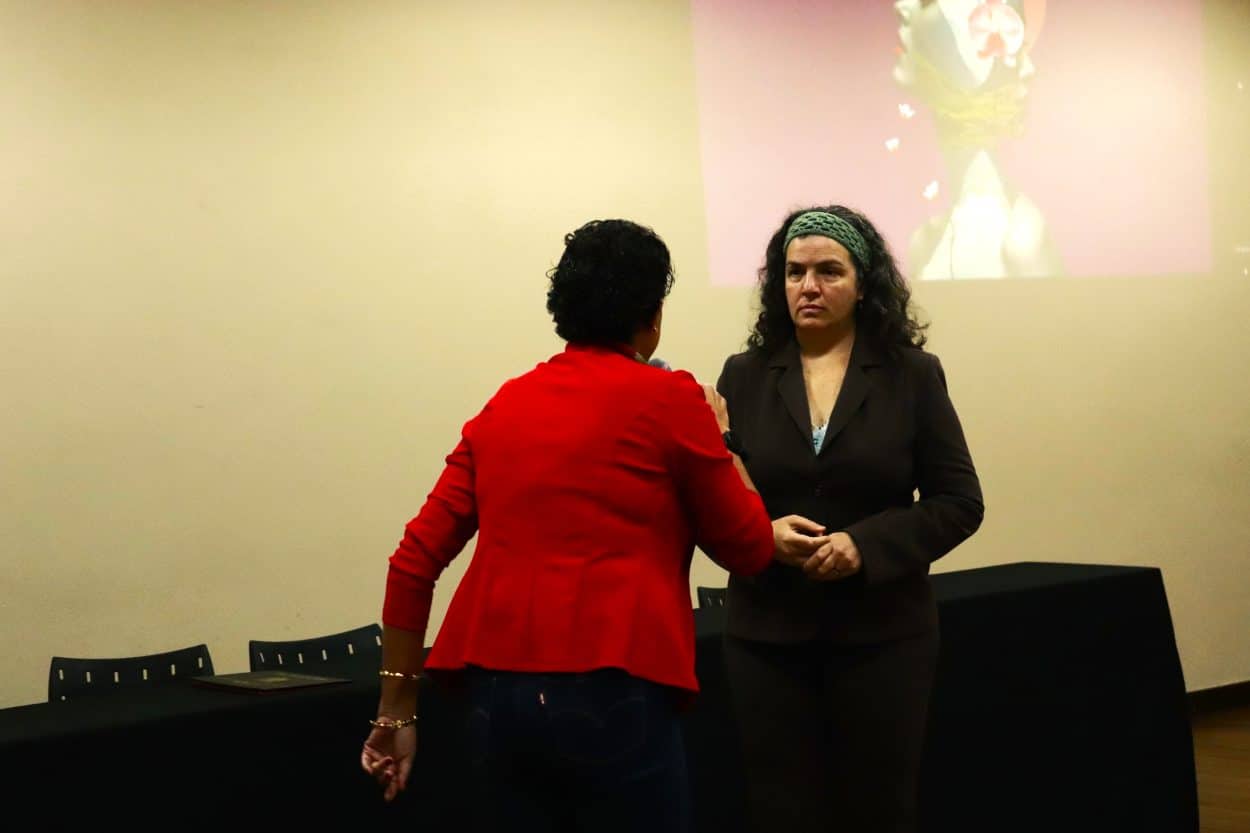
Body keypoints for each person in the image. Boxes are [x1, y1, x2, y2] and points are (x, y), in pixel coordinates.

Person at [359, 219, 780, 832]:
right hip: (615, 690)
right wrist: (725, 441)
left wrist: (396, 712)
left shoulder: (506, 403)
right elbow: (750, 547)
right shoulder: (672, 401)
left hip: (496, 700)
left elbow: (414, 560)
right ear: (652, 314)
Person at [715, 205, 985, 832]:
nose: (808, 286)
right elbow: (722, 496)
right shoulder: (743, 375)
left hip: (883, 637)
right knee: (782, 810)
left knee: (878, 809)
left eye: (829, 271)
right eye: (794, 271)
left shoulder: (913, 375)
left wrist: (865, 545)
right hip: (767, 638)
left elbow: (959, 502)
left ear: (864, 282)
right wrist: (761, 532)